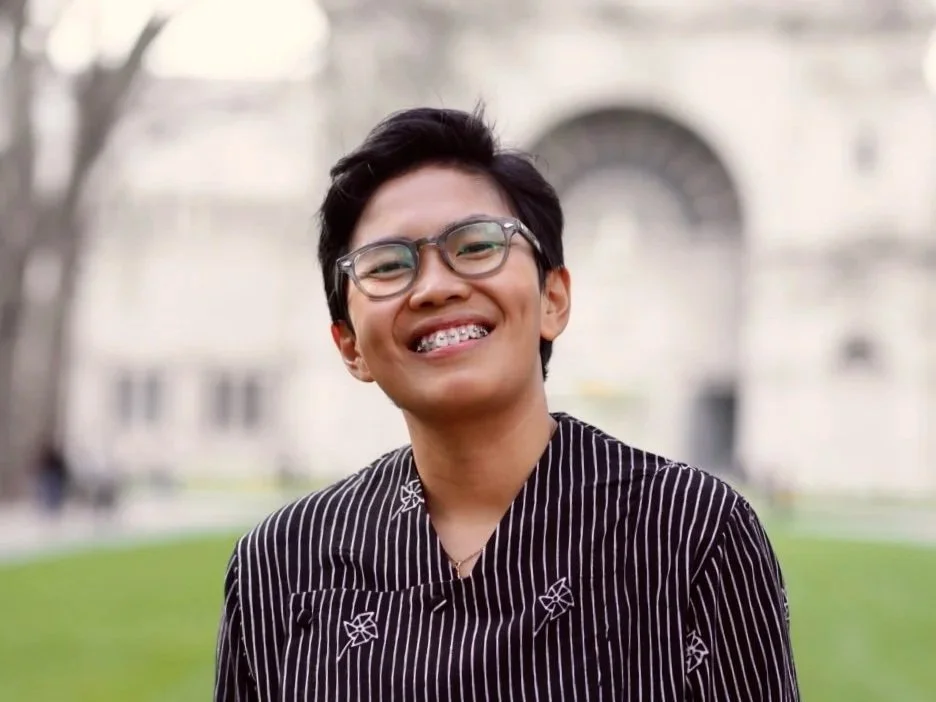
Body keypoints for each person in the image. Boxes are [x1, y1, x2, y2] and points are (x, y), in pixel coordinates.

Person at [214, 106, 800, 701]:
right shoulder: (280, 568)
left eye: (475, 246)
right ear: (350, 347)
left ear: (553, 298)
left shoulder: (693, 535)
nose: (436, 286)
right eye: (388, 265)